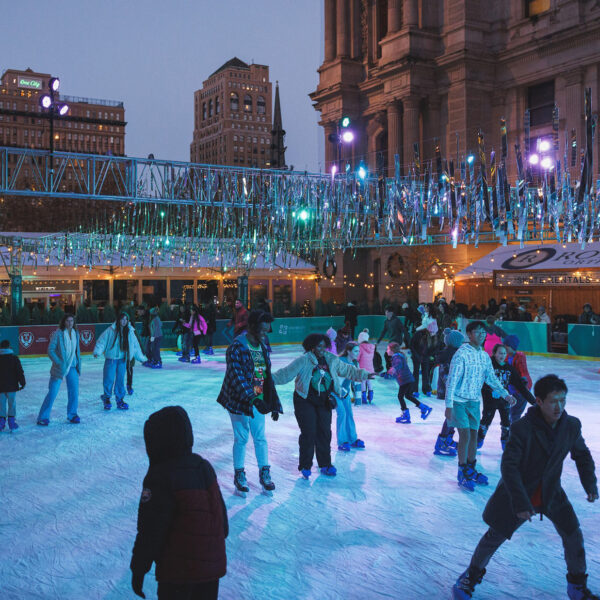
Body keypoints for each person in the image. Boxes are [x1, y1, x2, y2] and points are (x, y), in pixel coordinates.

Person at [452, 374, 599, 600]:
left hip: (551, 492)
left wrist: (589, 483)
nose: (559, 406)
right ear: (539, 401)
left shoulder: (570, 425)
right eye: (553, 401)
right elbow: (509, 467)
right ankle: (470, 577)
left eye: (563, 400)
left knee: (573, 535)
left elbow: (581, 455)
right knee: (494, 537)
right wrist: (521, 502)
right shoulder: (522, 428)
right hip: (518, 491)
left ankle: (577, 587)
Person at [130, 406, 228, 600]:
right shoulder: (203, 467)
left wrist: (139, 568)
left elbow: (151, 530)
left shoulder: (159, 477)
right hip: (211, 571)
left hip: (178, 574)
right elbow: (222, 523)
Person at [272, 333, 373, 479]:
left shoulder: (331, 359)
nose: (322, 349)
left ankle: (325, 464)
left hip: (324, 400)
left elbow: (347, 370)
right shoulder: (304, 360)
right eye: (318, 346)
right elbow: (285, 374)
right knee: (309, 433)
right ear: (311, 346)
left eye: (324, 346)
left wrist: (364, 374)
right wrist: (267, 379)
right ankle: (305, 466)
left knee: (325, 432)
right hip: (304, 400)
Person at [445, 321, 516, 492]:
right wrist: (449, 404)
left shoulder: (484, 356)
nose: (481, 335)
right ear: (469, 334)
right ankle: (462, 470)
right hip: (459, 400)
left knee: (473, 434)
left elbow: (491, 378)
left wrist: (505, 394)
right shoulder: (461, 354)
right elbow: (452, 380)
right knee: (464, 435)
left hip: (474, 401)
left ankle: (471, 467)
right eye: (477, 332)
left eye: (483, 333)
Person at [217, 310, 282, 497]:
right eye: (263, 329)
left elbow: (266, 376)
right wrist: (253, 399)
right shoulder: (237, 347)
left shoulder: (262, 345)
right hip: (238, 401)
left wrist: (273, 403)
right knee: (242, 438)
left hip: (258, 398)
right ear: (252, 327)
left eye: (268, 330)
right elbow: (237, 377)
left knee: (260, 437)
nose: (266, 333)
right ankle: (239, 475)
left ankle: (264, 473)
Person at [478, 344, 535, 451]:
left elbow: (521, 388)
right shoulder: (488, 365)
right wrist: (489, 391)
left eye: (504, 353)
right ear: (494, 353)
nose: (502, 355)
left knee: (506, 422)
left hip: (504, 400)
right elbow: (481, 381)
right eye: (500, 353)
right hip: (489, 400)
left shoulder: (509, 369)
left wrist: (534, 402)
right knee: (486, 420)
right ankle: (479, 439)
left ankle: (506, 442)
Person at [94, 312, 147, 411]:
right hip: (111, 360)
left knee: (120, 381)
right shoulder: (111, 330)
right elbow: (102, 341)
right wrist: (98, 351)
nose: (124, 321)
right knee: (109, 379)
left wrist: (141, 357)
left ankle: (120, 399)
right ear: (118, 320)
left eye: (126, 319)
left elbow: (135, 346)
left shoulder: (130, 331)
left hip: (122, 360)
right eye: (122, 319)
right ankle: (107, 398)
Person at [37, 313, 82, 426]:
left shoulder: (76, 333)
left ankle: (72, 414)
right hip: (60, 367)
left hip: (72, 366)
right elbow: (50, 350)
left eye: (72, 321)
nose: (70, 323)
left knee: (74, 392)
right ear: (63, 322)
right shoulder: (59, 333)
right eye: (68, 321)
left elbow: (77, 351)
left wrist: (78, 364)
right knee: (52, 392)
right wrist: (59, 362)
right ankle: (43, 417)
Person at [432, 328, 466, 457]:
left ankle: (447, 439)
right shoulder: (450, 356)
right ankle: (441, 443)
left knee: (454, 416)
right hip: (453, 391)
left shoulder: (451, 354)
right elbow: (447, 376)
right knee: (451, 416)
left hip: (452, 390)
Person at [387, 342, 432, 424]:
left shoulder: (397, 357)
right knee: (407, 395)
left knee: (401, 396)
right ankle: (423, 407)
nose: (387, 351)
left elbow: (398, 364)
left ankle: (406, 415)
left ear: (392, 350)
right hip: (407, 379)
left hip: (405, 380)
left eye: (388, 349)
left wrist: (394, 369)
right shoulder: (398, 356)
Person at [335, 342, 365, 451]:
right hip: (335, 392)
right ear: (348, 351)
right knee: (342, 413)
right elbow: (335, 381)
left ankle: (352, 439)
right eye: (356, 351)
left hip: (345, 394)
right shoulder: (339, 362)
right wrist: (341, 392)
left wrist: (358, 398)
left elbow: (357, 382)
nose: (358, 353)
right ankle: (342, 441)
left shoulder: (355, 363)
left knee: (349, 414)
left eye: (358, 351)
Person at [503, 334, 533, 422]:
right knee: (509, 412)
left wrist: (524, 380)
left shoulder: (520, 356)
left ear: (511, 346)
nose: (505, 348)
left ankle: (515, 432)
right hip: (512, 388)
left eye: (506, 346)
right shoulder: (506, 356)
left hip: (522, 388)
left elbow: (523, 369)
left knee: (515, 413)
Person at [0, 339, 25, 431]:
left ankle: (1, 423)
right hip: (11, 387)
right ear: (9, 347)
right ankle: (11, 423)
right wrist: (22, 383)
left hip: (0, 388)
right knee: (12, 404)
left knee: (1, 405)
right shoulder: (14, 358)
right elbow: (19, 372)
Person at [409, 320, 439, 397]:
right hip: (416, 356)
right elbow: (411, 345)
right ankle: (414, 389)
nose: (432, 333)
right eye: (431, 332)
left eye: (434, 332)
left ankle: (426, 389)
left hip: (426, 357)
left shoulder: (435, 337)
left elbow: (435, 348)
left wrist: (430, 355)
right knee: (416, 372)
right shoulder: (419, 334)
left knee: (425, 372)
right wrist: (416, 355)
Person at [357, 329, 375, 404]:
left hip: (362, 369)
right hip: (370, 368)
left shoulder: (360, 347)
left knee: (363, 383)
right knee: (369, 382)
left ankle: (363, 398)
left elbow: (358, 357)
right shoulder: (372, 347)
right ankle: (370, 397)